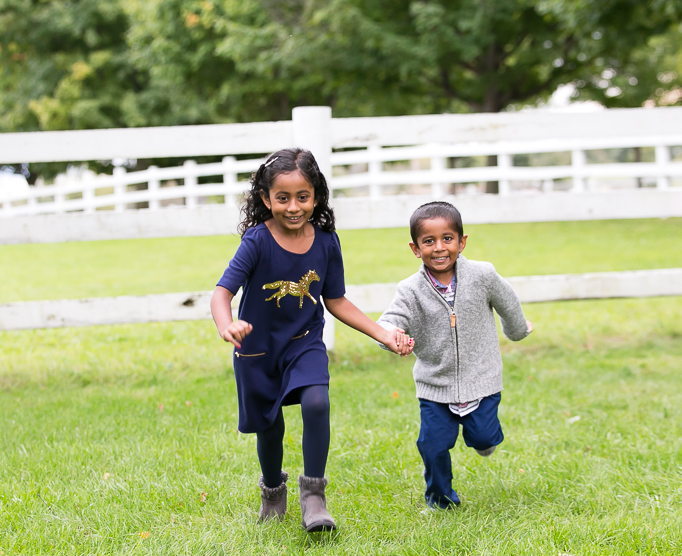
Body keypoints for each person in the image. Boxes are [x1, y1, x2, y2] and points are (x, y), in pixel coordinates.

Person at [210, 148, 413, 531]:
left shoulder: (326, 242)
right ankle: (272, 492)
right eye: (282, 198)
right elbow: (222, 292)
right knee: (270, 428)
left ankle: (314, 497)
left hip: (304, 342)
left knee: (317, 403)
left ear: (316, 196)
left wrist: (382, 333)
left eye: (302, 196)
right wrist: (227, 325)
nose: (292, 206)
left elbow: (334, 299)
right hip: (257, 350)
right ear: (266, 199)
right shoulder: (256, 241)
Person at [377, 201, 533, 509]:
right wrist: (391, 337)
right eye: (428, 241)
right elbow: (389, 320)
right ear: (415, 247)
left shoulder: (482, 275)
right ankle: (441, 499)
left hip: (481, 378)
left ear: (461, 242)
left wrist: (517, 331)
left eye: (447, 238)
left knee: (484, 438)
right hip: (435, 384)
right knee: (432, 445)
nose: (439, 248)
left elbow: (509, 302)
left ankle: (484, 440)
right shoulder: (410, 289)